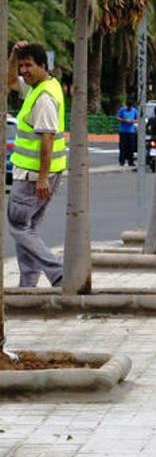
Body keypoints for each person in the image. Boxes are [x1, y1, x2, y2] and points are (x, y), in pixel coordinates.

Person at [5, 41, 66, 287]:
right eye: (21, 65)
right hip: (43, 175)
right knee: (28, 231)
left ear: (43, 65)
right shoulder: (40, 87)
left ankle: (58, 273)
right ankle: (27, 285)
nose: (23, 71)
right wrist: (12, 57)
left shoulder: (44, 98)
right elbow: (8, 82)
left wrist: (41, 178)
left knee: (18, 226)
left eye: (28, 65)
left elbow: (47, 140)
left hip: (33, 177)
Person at [116, 99, 138, 166]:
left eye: (130, 107)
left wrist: (132, 121)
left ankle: (130, 161)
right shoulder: (122, 110)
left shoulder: (134, 111)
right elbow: (117, 118)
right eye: (128, 106)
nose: (129, 108)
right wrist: (124, 120)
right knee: (122, 146)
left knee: (131, 146)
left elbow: (138, 119)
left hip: (131, 131)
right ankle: (122, 161)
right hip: (123, 131)